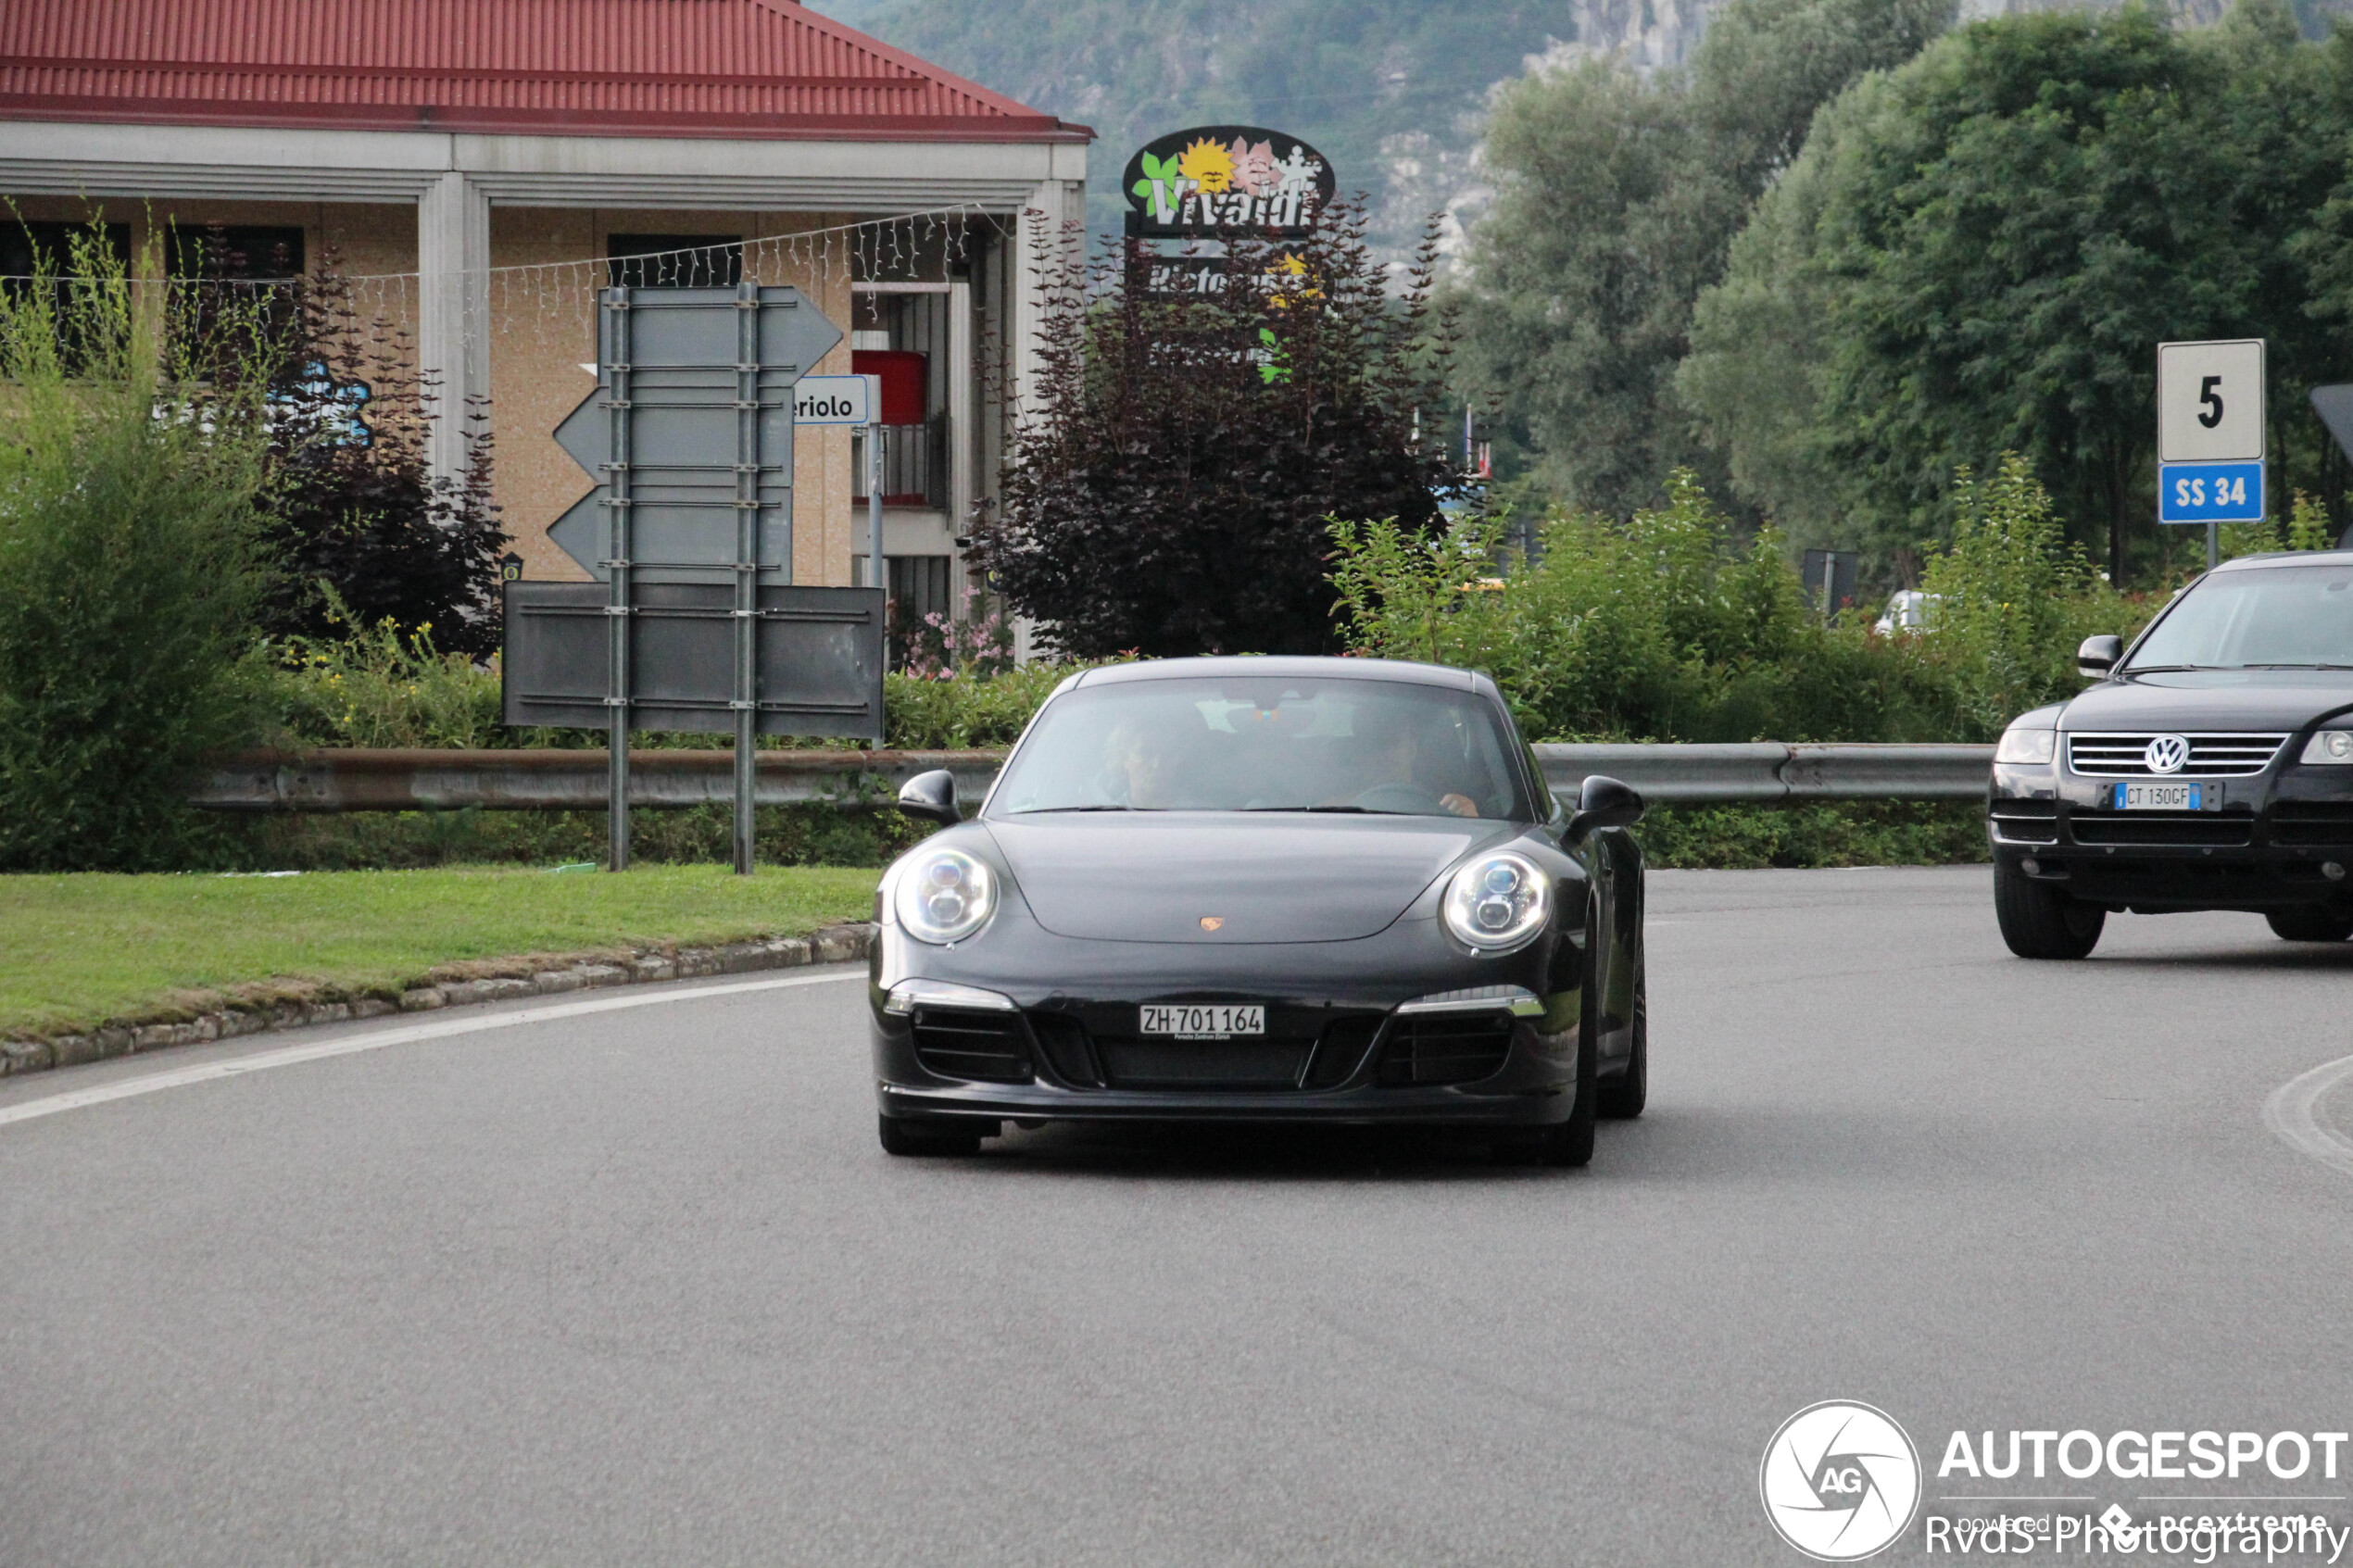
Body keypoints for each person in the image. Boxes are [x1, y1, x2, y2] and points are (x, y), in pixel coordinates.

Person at [1340, 704, 1478, 817]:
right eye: (1374, 744)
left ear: (1412, 748)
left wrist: (1471, 819)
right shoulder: (1331, 811)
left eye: (1393, 743)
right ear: (1359, 753)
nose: (1383, 755)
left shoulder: (1452, 807)